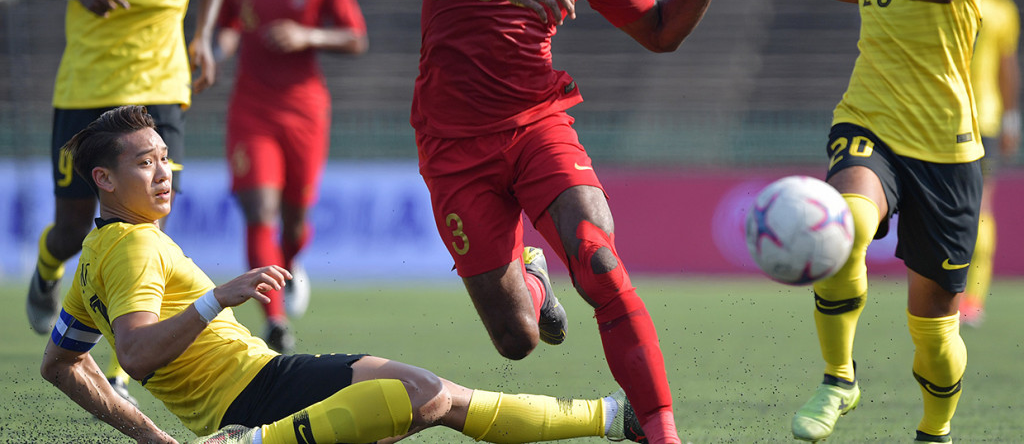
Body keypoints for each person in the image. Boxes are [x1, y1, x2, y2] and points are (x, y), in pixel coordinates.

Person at [378, 0, 729, 444]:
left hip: (538, 123)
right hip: (454, 147)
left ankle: (658, 427)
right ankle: (535, 282)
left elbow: (659, 32)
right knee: (517, 340)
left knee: (598, 258)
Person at [41, 105, 646, 444]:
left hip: (254, 387)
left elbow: (60, 362)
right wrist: (216, 300)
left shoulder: (97, 254)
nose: (163, 173)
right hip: (252, 391)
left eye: (164, 159)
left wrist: (150, 437)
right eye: (144, 164)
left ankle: (616, 418)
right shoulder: (134, 248)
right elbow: (138, 354)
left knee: (442, 399)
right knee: (426, 394)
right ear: (103, 180)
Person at [729, 0, 984, 444]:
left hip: (948, 145)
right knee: (840, 226)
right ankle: (839, 377)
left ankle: (935, 430)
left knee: (933, 331)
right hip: (869, 116)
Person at [21, 0, 235, 402]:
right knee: (70, 228)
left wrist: (204, 36)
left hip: (160, 86)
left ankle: (125, 355)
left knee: (149, 220)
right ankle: (46, 272)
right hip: (87, 86)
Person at [216, 0, 368, 354]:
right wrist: (215, 53)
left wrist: (309, 37)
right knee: (259, 211)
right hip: (252, 110)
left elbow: (356, 38)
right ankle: (276, 321)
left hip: (305, 112)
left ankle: (290, 264)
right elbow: (224, 29)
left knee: (295, 221)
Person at [960, 0, 1020, 326]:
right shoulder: (999, 8)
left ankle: (953, 295)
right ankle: (973, 300)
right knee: (981, 205)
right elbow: (1007, 69)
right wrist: (1011, 121)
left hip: (941, 116)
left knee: (945, 206)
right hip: (986, 118)